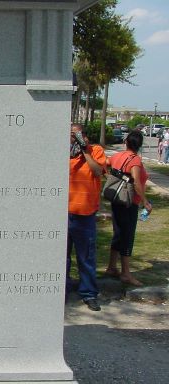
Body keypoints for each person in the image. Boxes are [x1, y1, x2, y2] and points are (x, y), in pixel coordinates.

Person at [67, 123, 107, 311]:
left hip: (85, 214)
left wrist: (85, 151)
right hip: (63, 214)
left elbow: (98, 171)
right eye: (72, 135)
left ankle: (89, 293)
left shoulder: (95, 150)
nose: (74, 138)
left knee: (86, 257)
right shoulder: (63, 153)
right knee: (61, 257)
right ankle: (63, 290)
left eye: (77, 135)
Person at [105, 130, 152, 286]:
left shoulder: (117, 156)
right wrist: (145, 202)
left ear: (126, 142)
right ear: (139, 144)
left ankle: (111, 267)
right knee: (127, 236)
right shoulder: (135, 161)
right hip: (129, 202)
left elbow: (105, 164)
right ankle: (126, 273)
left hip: (116, 200)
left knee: (118, 233)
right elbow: (137, 183)